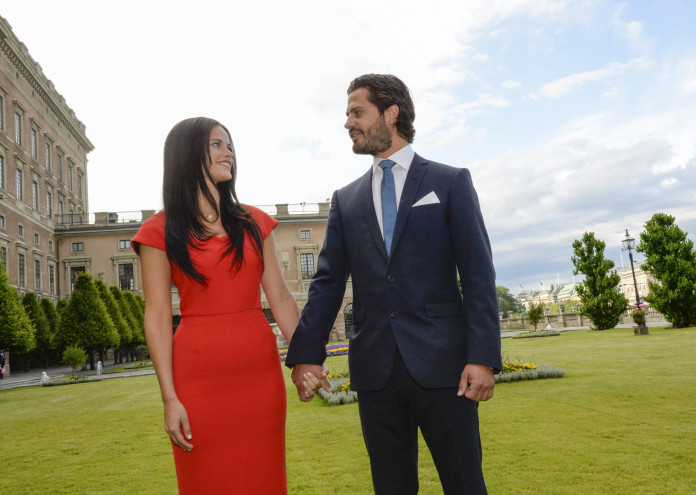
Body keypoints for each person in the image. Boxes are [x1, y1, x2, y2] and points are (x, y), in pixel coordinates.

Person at [286, 74, 502, 494]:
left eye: (356, 112)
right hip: (375, 373)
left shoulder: (449, 181)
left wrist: (483, 357)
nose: (348, 122)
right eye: (348, 114)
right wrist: (306, 356)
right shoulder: (345, 200)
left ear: (391, 112)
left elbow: (478, 274)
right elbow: (328, 283)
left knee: (464, 484)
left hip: (446, 370)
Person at [133, 117, 321, 494]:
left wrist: (305, 358)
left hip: (259, 377)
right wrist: (170, 399)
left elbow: (281, 298)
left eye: (230, 146)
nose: (228, 153)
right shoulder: (159, 231)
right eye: (217, 145)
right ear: (188, 155)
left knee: (264, 479)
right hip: (197, 381)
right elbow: (156, 316)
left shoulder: (254, 222)